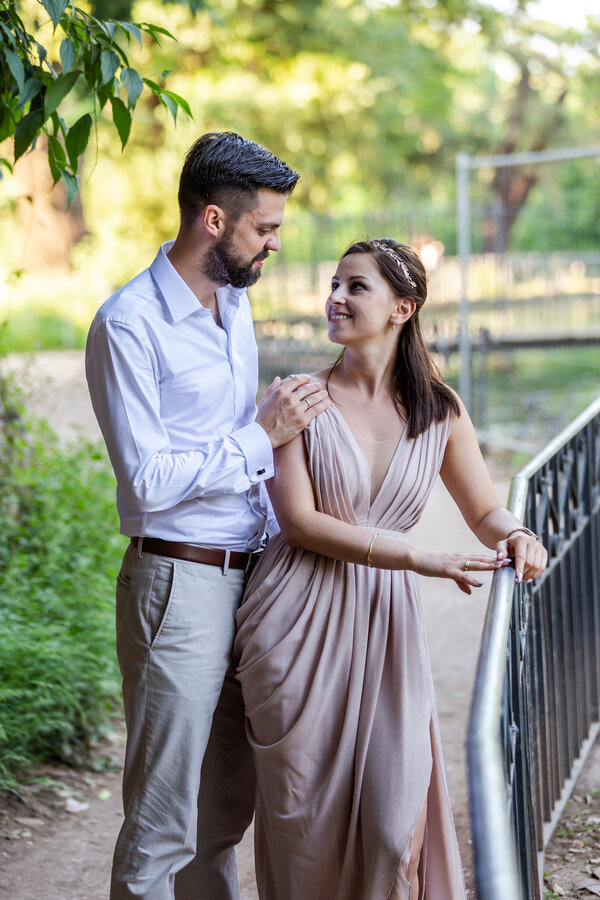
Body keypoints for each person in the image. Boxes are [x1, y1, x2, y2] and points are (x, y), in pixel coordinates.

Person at [234, 238, 547, 900]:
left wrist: (518, 532)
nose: (335, 298)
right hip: (297, 625)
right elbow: (299, 524)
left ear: (404, 308)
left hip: (387, 629)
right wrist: (416, 557)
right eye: (334, 283)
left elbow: (484, 509)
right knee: (305, 837)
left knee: (396, 832)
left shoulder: (439, 409)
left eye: (356, 287)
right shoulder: (297, 400)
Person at [85, 131, 330, 900]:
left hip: (248, 584)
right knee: (162, 824)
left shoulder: (234, 304)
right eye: (267, 228)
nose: (276, 245)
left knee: (223, 813)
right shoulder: (128, 324)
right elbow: (149, 481)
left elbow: (244, 453)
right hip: (177, 589)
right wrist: (262, 435)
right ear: (215, 222)